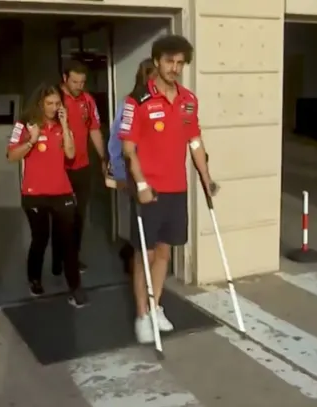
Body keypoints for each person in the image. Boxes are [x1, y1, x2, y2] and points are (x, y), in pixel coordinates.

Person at [118, 35, 217, 343]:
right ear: (157, 61)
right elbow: (128, 149)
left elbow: (195, 141)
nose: (174, 68)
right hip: (149, 190)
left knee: (164, 252)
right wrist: (141, 184)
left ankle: (155, 306)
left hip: (176, 189)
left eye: (180, 63)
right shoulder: (137, 101)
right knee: (144, 255)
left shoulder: (188, 100)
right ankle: (141, 315)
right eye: (169, 61)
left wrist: (206, 177)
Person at [7, 83, 88, 308]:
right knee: (40, 238)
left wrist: (65, 124)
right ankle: (34, 278)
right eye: (49, 103)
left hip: (61, 191)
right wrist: (31, 140)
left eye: (57, 103)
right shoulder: (24, 124)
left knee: (68, 241)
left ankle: (75, 287)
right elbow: (11, 156)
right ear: (40, 104)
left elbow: (70, 154)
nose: (53, 107)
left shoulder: (63, 125)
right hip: (34, 193)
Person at [52, 60, 107, 276]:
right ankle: (58, 259)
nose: (79, 86)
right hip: (59, 169)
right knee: (61, 217)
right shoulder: (55, 99)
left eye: (82, 82)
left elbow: (94, 130)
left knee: (78, 216)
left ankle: (73, 258)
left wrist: (104, 158)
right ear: (65, 78)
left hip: (82, 167)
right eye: (75, 82)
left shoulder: (88, 100)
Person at [107, 58, 157, 275]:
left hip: (159, 173)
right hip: (137, 173)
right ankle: (136, 267)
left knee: (155, 228)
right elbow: (115, 143)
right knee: (142, 228)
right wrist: (120, 174)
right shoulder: (130, 103)